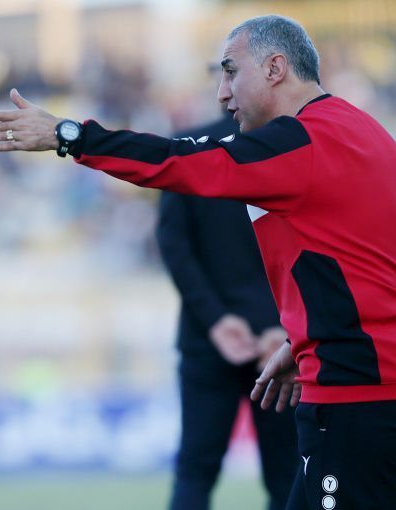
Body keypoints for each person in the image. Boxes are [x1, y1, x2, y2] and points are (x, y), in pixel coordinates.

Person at [0, 14, 396, 510]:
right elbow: (373, 264)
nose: (222, 93)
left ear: (275, 68)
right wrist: (304, 341)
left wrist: (70, 134)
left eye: (230, 72)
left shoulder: (300, 141)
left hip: (361, 391)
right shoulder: (370, 135)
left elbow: (173, 160)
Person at [157, 112, 298, 510]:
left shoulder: (188, 149)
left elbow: (174, 246)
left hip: (207, 338)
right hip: (281, 343)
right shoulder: (291, 151)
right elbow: (311, 248)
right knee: (288, 476)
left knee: (195, 473)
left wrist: (216, 320)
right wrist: (284, 325)